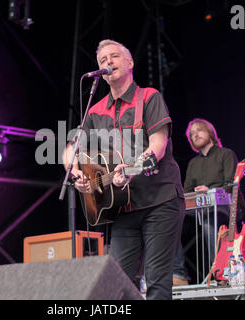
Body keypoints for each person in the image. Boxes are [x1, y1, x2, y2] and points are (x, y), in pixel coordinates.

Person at [62, 39, 185, 300]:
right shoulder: (94, 111)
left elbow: (158, 147)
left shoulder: (149, 97)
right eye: (102, 60)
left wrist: (132, 169)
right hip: (122, 209)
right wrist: (77, 174)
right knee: (115, 286)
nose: (108, 62)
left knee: (157, 281)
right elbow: (70, 150)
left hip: (159, 201)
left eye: (114, 56)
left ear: (130, 63)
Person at [172, 118, 245, 285]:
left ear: (210, 133)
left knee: (208, 221)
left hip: (228, 207)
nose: (194, 135)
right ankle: (179, 274)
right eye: (191, 134)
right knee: (170, 218)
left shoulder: (226, 154)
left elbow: (230, 185)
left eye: (199, 130)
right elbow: (188, 192)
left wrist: (210, 191)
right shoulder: (193, 163)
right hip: (201, 209)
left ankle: (221, 273)